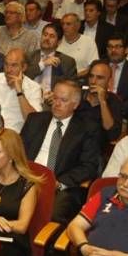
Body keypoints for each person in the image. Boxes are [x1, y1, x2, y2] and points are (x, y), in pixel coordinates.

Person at [20, 80, 101, 223]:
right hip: (27, 178)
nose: (56, 104)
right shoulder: (35, 120)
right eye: (55, 98)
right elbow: (18, 151)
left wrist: (59, 183)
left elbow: (89, 166)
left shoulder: (86, 128)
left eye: (63, 100)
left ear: (75, 105)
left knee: (53, 214)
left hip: (62, 186)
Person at [0, 48, 43, 133]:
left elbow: (33, 122)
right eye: (6, 64)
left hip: (13, 137)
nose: (8, 70)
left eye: (14, 65)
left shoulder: (34, 88)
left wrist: (19, 92)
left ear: (24, 67)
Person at [77, 60, 123, 144]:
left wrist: (102, 101)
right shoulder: (78, 95)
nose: (93, 81)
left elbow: (112, 134)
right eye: (91, 76)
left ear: (109, 81)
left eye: (99, 78)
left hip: (96, 149)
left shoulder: (114, 101)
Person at [24, 23, 77, 94]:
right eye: (45, 35)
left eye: (52, 36)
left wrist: (56, 96)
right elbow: (23, 77)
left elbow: (72, 88)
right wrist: (43, 64)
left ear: (59, 42)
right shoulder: (30, 56)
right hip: (30, 98)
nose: (47, 38)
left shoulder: (67, 62)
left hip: (54, 101)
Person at [57, 13, 99, 77]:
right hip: (60, 80)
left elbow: (94, 66)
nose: (64, 27)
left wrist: (75, 76)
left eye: (68, 24)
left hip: (81, 79)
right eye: (63, 24)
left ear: (78, 26)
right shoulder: (57, 41)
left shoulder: (88, 41)